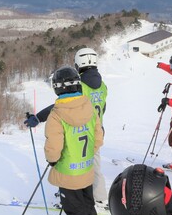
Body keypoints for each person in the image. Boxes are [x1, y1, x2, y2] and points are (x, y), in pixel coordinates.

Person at [25, 47, 109, 206]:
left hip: (78, 129)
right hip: (95, 128)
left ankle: (98, 197)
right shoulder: (102, 85)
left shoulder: (80, 85)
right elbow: (103, 107)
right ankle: (91, 194)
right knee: (91, 161)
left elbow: (64, 107)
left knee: (78, 161)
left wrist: (38, 117)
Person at [43, 65, 106, 215]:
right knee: (87, 204)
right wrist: (85, 156)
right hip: (86, 168)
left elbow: (54, 146)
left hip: (68, 172)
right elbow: (98, 138)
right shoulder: (89, 107)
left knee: (74, 209)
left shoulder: (56, 115)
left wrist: (53, 160)